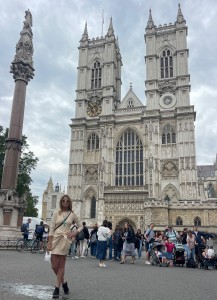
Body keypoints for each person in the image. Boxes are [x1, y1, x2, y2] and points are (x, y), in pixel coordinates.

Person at [46, 195, 82, 299]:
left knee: (61, 265)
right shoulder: (56, 213)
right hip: (55, 239)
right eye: (63, 201)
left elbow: (80, 226)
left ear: (69, 202)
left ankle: (57, 288)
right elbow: (52, 228)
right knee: (53, 265)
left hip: (65, 240)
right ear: (61, 202)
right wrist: (49, 242)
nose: (65, 202)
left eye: (67, 201)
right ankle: (64, 283)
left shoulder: (72, 214)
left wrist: (74, 233)